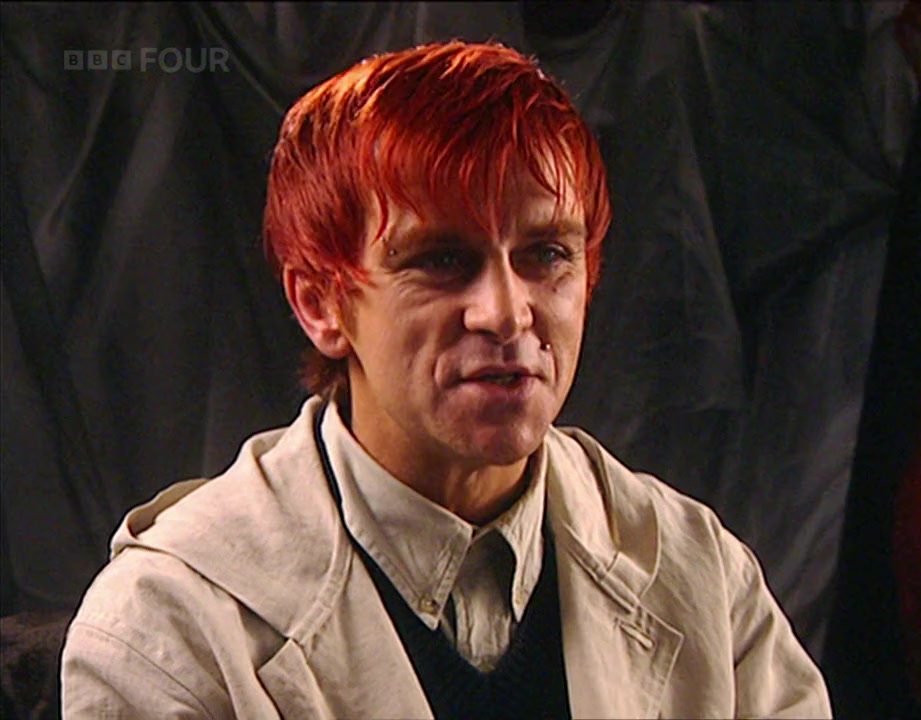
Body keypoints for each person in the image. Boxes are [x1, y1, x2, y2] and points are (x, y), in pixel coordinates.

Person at [60, 41, 832, 719]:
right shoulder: (170, 626)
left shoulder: (704, 578)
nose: (507, 313)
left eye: (547, 254)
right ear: (320, 303)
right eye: (441, 260)